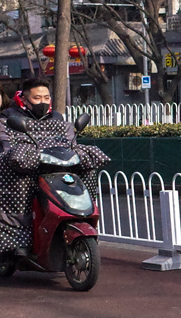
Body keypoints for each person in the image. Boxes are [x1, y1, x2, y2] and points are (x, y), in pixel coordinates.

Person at [0, 77, 108, 257]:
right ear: (24, 99)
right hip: (23, 168)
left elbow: (69, 142)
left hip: (55, 164)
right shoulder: (9, 117)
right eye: (37, 98)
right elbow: (8, 147)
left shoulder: (57, 118)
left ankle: (85, 217)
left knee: (86, 168)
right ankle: (18, 239)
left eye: (46, 97)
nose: (42, 102)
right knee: (21, 182)